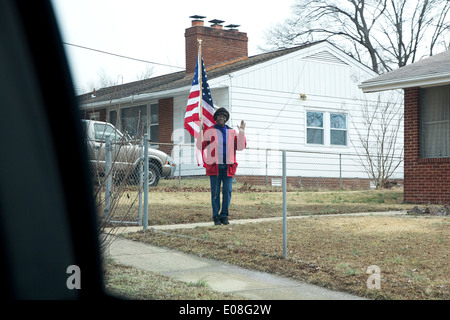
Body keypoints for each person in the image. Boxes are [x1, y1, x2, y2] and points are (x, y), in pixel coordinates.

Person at [197, 107, 246, 225]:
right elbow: (201, 146)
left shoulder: (232, 132)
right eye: (219, 116)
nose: (221, 118)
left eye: (224, 117)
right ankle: (216, 216)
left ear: (226, 119)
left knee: (227, 190)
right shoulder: (209, 130)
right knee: (215, 192)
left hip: (228, 166)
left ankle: (224, 215)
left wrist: (241, 132)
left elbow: (240, 147)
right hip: (215, 166)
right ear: (216, 118)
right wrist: (201, 133)